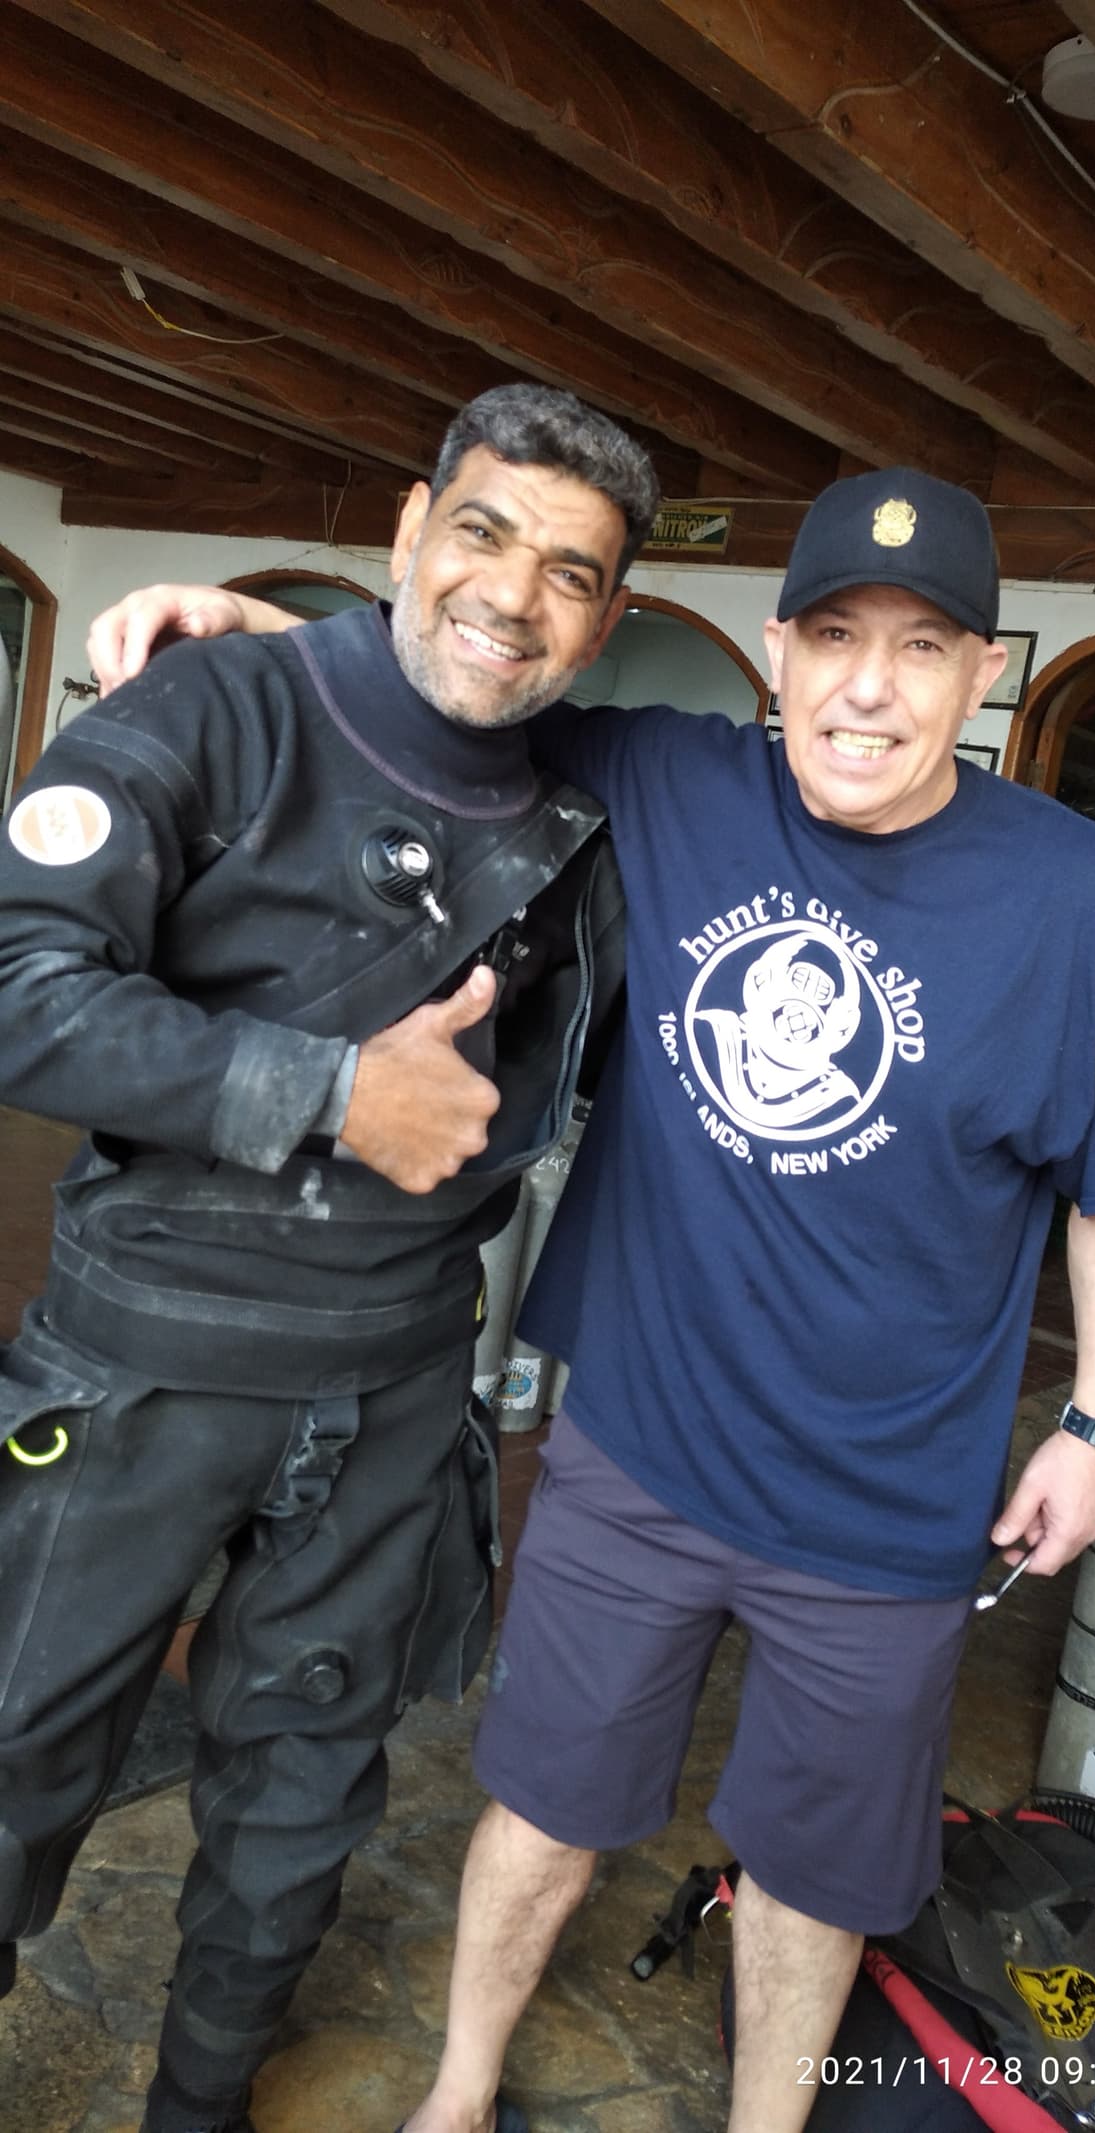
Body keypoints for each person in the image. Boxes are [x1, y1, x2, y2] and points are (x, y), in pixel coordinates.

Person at [87, 465, 1095, 2133]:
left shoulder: (1075, 896)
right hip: (635, 1454)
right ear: (779, 651)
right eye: (832, 636)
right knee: (544, 1801)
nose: (868, 685)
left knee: (814, 1869)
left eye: (920, 644)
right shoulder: (671, 776)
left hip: (891, 1506)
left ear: (981, 675)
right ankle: (455, 2092)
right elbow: (457, 694)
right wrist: (260, 631)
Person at [0, 382, 658, 2133]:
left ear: (609, 621)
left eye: (572, 573)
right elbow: (18, 984)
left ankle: (197, 2110)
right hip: (140, 1369)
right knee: (11, 1751)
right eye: (486, 532)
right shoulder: (212, 702)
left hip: (387, 1391)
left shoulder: (580, 834)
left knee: (299, 1803)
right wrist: (331, 1090)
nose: (514, 594)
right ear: (407, 530)